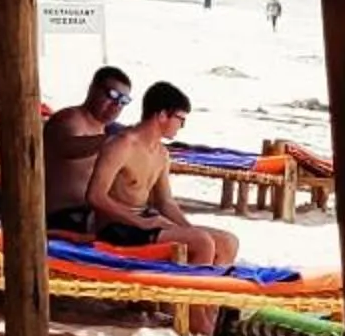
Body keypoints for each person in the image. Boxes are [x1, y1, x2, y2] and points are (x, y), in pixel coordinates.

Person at [84, 82, 240, 265]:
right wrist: (140, 222)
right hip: (117, 227)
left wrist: (188, 228)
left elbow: (165, 202)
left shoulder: (161, 153)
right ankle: (184, 290)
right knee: (202, 243)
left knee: (228, 242)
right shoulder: (122, 145)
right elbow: (95, 196)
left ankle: (207, 288)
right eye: (180, 119)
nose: (182, 125)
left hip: (145, 221)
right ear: (162, 115)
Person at [43, 66, 131, 235]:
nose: (116, 105)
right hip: (61, 216)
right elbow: (66, 147)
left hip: (87, 214)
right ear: (93, 89)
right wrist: (110, 141)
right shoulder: (70, 119)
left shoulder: (105, 130)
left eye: (123, 100)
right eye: (112, 95)